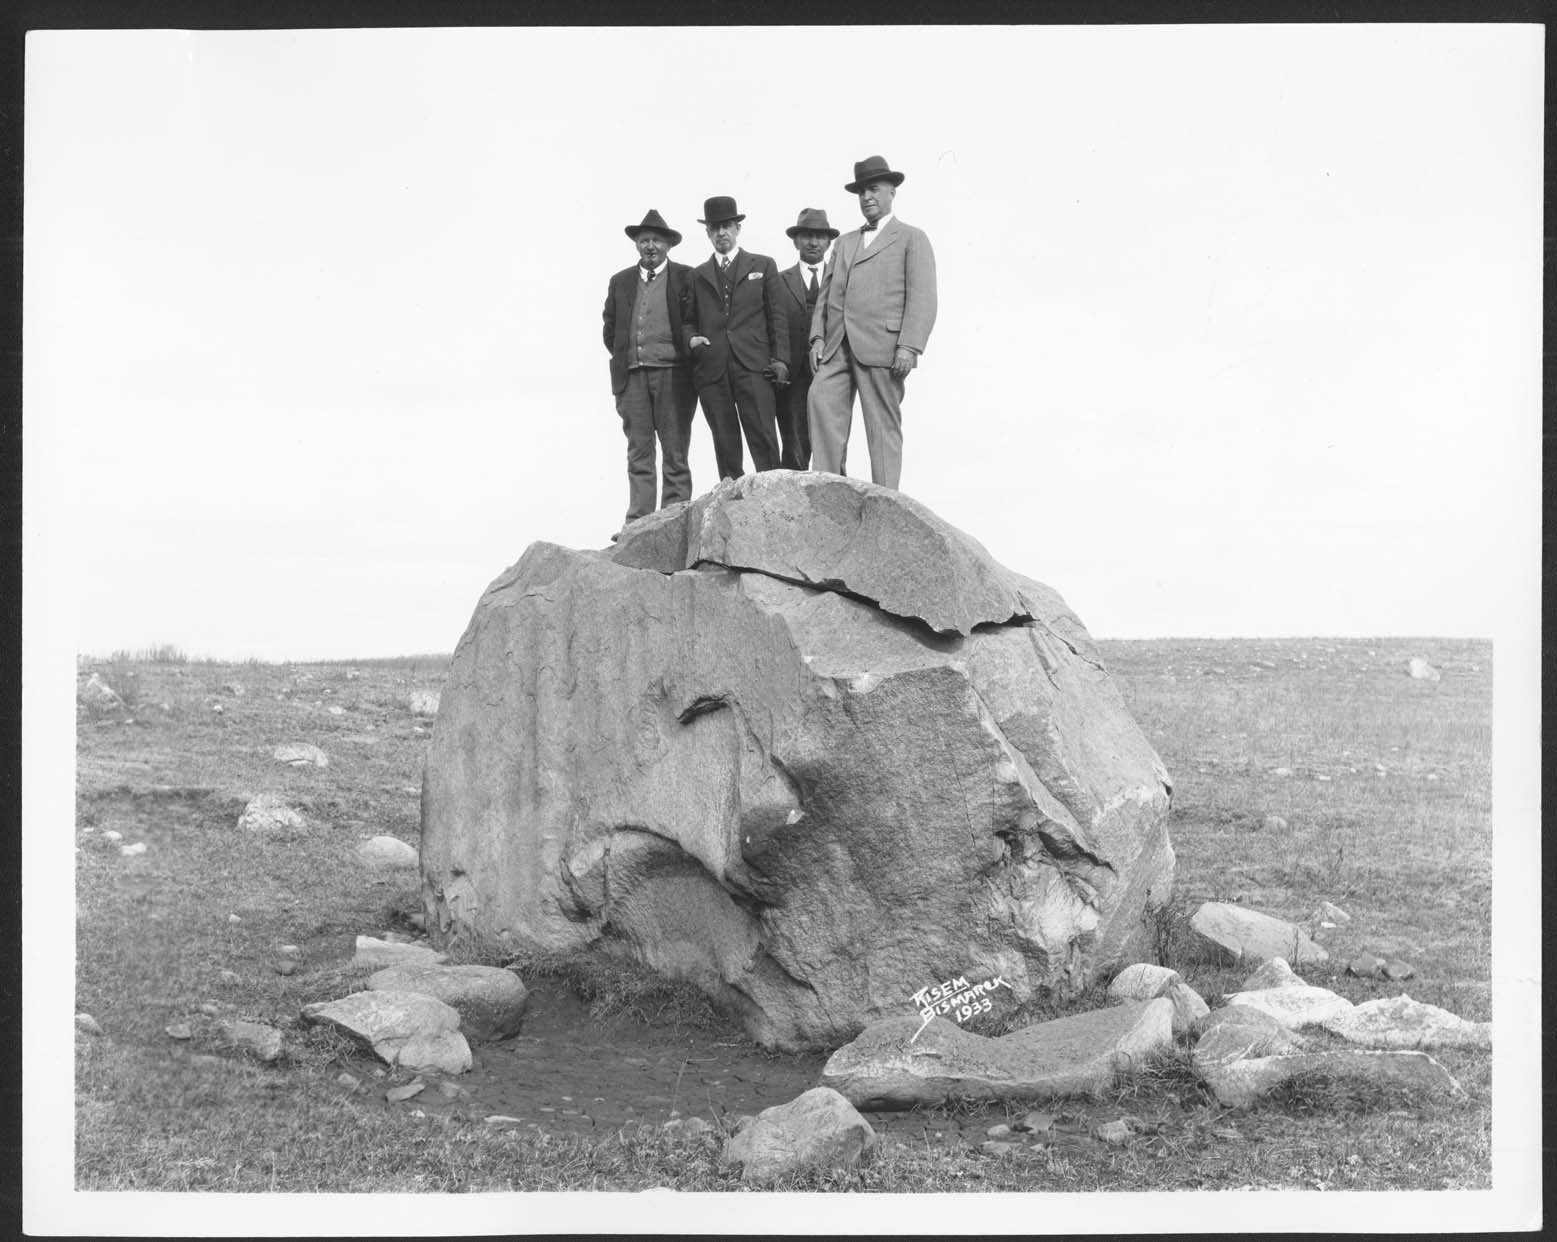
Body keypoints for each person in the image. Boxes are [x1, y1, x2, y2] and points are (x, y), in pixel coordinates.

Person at [807, 155, 938, 490]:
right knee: (820, 401)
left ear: (892, 192)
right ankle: (828, 493)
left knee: (881, 426)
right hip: (837, 346)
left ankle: (887, 502)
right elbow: (826, 293)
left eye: (874, 189)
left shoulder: (912, 238)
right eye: (862, 191)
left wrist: (909, 345)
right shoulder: (845, 241)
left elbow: (923, 298)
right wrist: (817, 337)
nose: (867, 197)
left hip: (883, 347)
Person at [602, 209, 700, 536]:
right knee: (638, 452)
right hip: (632, 378)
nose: (650, 246)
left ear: (669, 245)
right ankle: (638, 524)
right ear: (636, 245)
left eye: (657, 240)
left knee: (675, 450)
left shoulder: (686, 277)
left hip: (673, 376)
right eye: (644, 240)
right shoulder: (620, 281)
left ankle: (672, 521)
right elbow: (610, 330)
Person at [686, 196, 790, 479]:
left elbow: (777, 316)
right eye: (715, 228)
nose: (721, 233)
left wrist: (780, 359)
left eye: (727, 226)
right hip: (713, 369)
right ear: (707, 232)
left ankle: (773, 498)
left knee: (764, 438)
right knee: (724, 441)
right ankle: (731, 506)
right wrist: (692, 339)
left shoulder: (764, 265)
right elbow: (687, 321)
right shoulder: (697, 275)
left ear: (737, 228)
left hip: (754, 365)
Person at [774, 208, 839, 470]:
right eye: (807, 236)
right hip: (793, 375)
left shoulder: (840, 280)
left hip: (832, 370)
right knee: (794, 443)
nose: (813, 242)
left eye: (820, 237)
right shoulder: (778, 280)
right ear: (795, 241)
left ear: (828, 242)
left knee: (832, 439)